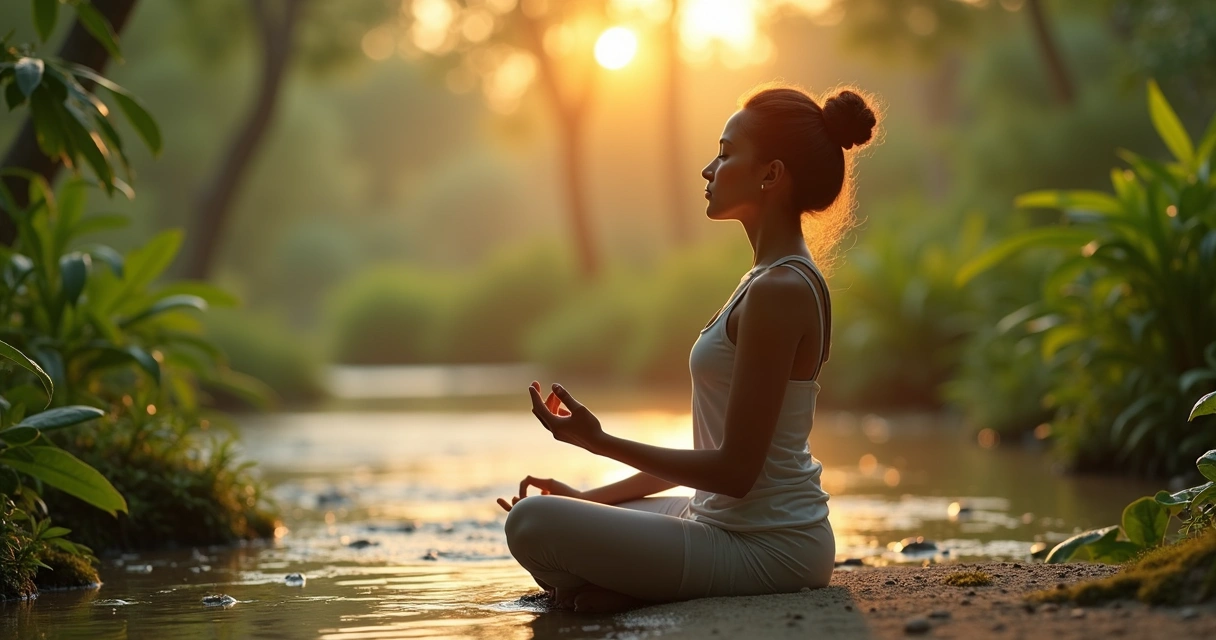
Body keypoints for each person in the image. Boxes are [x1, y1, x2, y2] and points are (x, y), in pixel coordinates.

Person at [497, 82, 879, 613]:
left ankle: (614, 589)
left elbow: (734, 473)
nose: (707, 170)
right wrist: (588, 499)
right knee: (573, 515)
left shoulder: (781, 290)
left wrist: (598, 441)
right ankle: (613, 589)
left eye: (724, 154)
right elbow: (712, 456)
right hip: (727, 523)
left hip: (770, 549)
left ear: (771, 174)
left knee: (531, 523)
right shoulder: (764, 280)